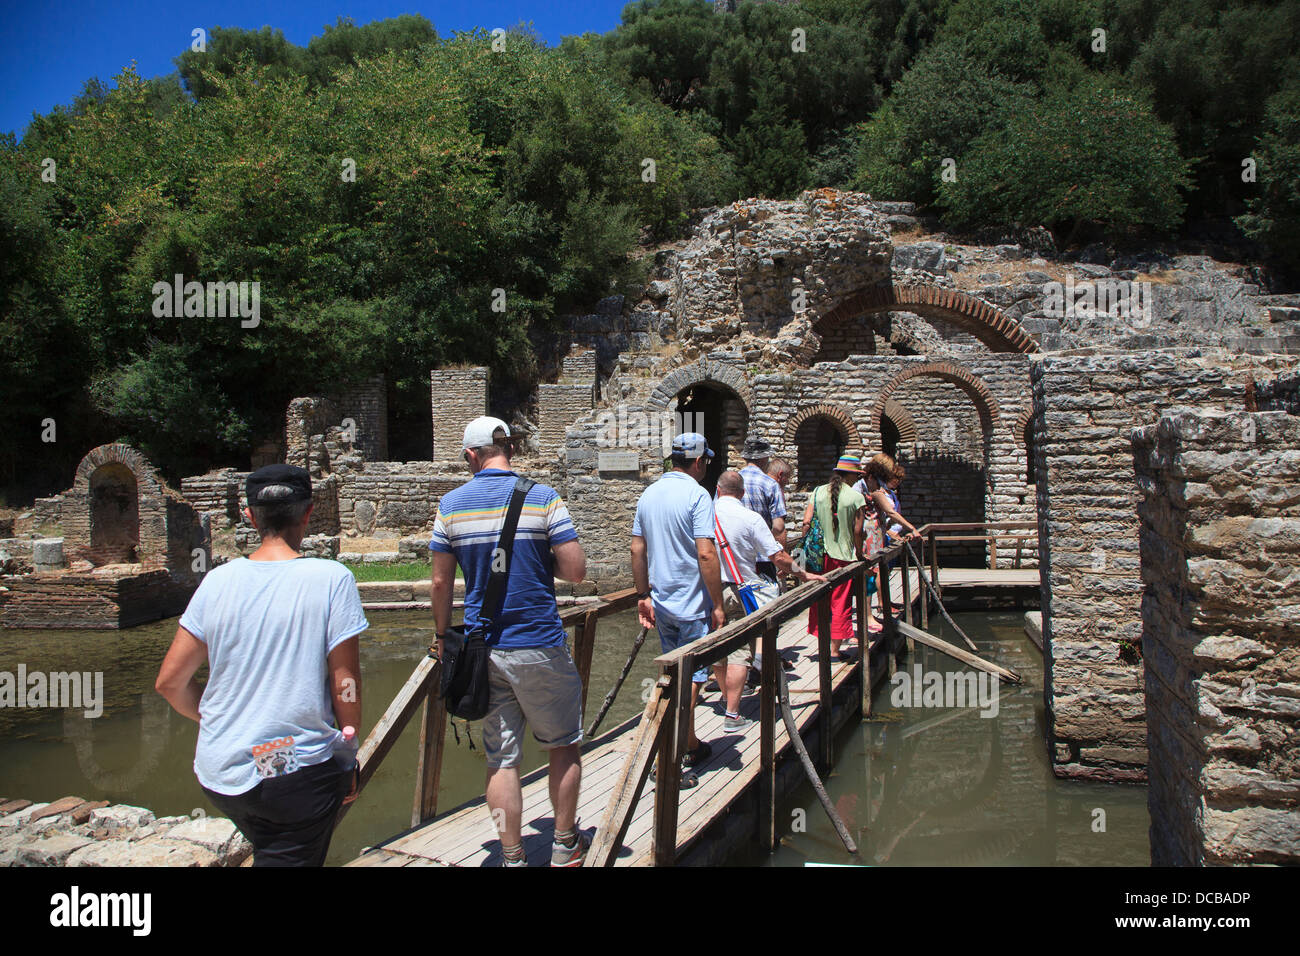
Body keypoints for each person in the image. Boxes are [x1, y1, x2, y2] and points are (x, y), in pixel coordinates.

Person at [155, 464, 367, 867]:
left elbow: (169, 683)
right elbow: (345, 683)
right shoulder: (330, 578)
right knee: (284, 835)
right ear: (308, 513)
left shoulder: (216, 582)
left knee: (273, 841)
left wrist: (223, 720)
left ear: (249, 517)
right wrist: (349, 749)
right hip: (288, 769)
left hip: (221, 771)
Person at [430, 416, 589, 867]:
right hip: (538, 642)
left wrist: (442, 639)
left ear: (470, 456)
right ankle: (563, 845)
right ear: (510, 450)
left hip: (482, 651)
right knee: (562, 745)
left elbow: (441, 584)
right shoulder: (543, 498)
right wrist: (538, 568)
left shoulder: (451, 505)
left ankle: (513, 855)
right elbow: (576, 571)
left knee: (502, 760)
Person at [631, 432, 727, 788]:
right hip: (692, 606)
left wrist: (643, 595)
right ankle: (669, 760)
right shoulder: (697, 494)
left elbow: (637, 550)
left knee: (671, 675)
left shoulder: (649, 493)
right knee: (690, 682)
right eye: (707, 462)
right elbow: (706, 553)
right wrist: (717, 604)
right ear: (699, 462)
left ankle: (690, 743)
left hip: (663, 604)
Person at [714, 470, 825, 722]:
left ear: (718, 491)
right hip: (742, 588)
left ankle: (723, 697)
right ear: (742, 494)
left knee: (717, 647)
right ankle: (732, 712)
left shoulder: (701, 516)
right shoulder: (751, 518)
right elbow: (778, 557)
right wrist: (804, 575)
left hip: (710, 592)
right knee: (740, 651)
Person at [803, 454, 867, 660]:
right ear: (851, 475)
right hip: (843, 557)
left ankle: (822, 645)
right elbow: (858, 531)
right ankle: (834, 650)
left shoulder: (817, 492)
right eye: (857, 475)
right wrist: (859, 553)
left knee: (819, 601)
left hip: (818, 556)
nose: (858, 479)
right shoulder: (856, 497)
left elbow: (807, 522)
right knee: (841, 602)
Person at [731, 436, 787, 548]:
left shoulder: (730, 482)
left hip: (736, 554)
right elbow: (778, 527)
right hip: (762, 555)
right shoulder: (770, 484)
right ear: (764, 458)